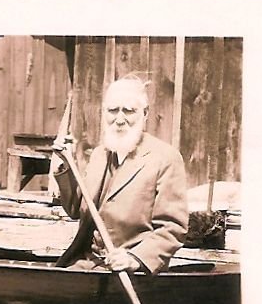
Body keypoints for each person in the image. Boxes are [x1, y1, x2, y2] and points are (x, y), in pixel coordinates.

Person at [53, 76, 188, 274]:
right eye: (113, 110)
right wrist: (66, 163)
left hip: (130, 272)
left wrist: (135, 259)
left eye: (129, 111)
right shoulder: (100, 154)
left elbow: (172, 228)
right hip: (86, 264)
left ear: (145, 113)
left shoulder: (165, 158)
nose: (119, 119)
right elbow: (75, 208)